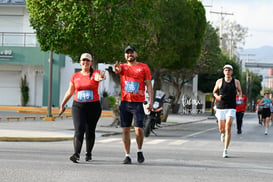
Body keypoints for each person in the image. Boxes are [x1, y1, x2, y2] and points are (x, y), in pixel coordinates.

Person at [59, 53, 106, 163]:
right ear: (80, 62)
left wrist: (100, 78)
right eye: (83, 60)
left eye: (88, 60)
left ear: (91, 62)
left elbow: (98, 77)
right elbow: (70, 91)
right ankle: (76, 154)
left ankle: (88, 153)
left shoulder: (95, 73)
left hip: (93, 106)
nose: (85, 62)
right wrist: (62, 104)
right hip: (78, 106)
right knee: (79, 130)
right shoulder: (75, 76)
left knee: (90, 131)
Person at [113, 45, 153, 164]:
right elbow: (118, 71)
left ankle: (139, 150)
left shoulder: (143, 67)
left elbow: (149, 85)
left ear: (136, 54)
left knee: (138, 129)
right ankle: (127, 155)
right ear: (125, 55)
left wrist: (150, 100)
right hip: (125, 103)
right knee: (125, 130)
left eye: (132, 53)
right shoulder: (122, 67)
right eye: (127, 53)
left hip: (137, 103)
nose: (129, 55)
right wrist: (116, 69)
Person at [212, 64, 242, 158]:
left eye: (229, 70)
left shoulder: (236, 82)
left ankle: (225, 150)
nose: (227, 72)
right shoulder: (219, 81)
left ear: (232, 72)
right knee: (222, 129)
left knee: (228, 126)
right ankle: (222, 133)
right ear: (223, 71)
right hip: (221, 107)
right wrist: (217, 97)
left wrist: (240, 96)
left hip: (231, 107)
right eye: (226, 70)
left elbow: (240, 90)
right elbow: (214, 92)